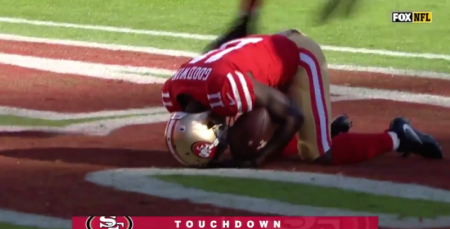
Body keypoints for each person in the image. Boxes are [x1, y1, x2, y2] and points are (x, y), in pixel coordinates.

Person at [161, 30, 442, 168]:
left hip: (296, 56)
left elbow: (293, 116)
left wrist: (257, 162)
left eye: (216, 141)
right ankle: (322, 131)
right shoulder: (174, 91)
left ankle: (397, 136)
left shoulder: (225, 89)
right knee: (246, 142)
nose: (220, 142)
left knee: (319, 153)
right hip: (261, 57)